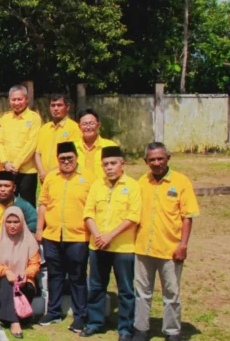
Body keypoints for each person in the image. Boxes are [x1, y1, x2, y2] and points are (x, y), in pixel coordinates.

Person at [132, 142, 199, 341]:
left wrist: (183, 245)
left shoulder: (181, 182)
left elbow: (188, 216)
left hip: (170, 249)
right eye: (152, 159)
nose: (156, 163)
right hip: (143, 248)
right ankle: (141, 329)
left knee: (171, 293)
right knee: (142, 292)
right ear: (146, 161)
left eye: (160, 158)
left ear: (168, 158)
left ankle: (172, 331)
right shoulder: (141, 182)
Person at [81, 146, 141, 340]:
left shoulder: (132, 186)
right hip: (97, 246)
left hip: (123, 247)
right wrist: (98, 235)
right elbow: (88, 213)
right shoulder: (97, 185)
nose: (109, 167)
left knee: (125, 289)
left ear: (122, 164)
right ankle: (95, 322)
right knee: (97, 286)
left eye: (113, 163)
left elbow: (133, 217)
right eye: (106, 164)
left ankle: (125, 328)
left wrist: (110, 236)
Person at [34, 142, 95, 332]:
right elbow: (43, 204)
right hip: (52, 235)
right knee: (55, 275)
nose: (66, 162)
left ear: (76, 158)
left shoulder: (88, 179)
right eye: (62, 159)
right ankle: (53, 311)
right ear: (57, 160)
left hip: (78, 236)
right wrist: (39, 229)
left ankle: (80, 316)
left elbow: (93, 209)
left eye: (70, 158)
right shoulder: (51, 177)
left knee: (77, 276)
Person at [0, 206, 41, 339]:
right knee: (7, 283)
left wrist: (25, 275)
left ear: (22, 222)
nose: (12, 226)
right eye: (8, 222)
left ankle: (6, 315)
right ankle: (15, 322)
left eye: (16, 222)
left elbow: (35, 264)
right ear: (3, 222)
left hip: (24, 282)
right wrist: (6, 271)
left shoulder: (29, 240)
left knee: (23, 286)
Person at [0, 85, 42, 207]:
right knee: (6, 203)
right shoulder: (5, 118)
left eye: (20, 99)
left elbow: (31, 144)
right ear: (9, 100)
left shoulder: (34, 118)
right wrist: (5, 163)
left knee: (27, 205)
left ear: (26, 99)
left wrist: (15, 165)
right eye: (13, 99)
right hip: (7, 168)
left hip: (27, 171)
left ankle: (29, 226)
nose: (16, 103)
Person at [0, 171, 38, 252]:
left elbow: (35, 222)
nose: (3, 189)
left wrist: (19, 233)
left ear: (14, 188)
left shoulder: (23, 205)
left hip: (17, 240)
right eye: (0, 186)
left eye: (7, 186)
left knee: (33, 238)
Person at [35, 94, 82, 183]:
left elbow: (74, 155)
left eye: (59, 105)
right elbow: (37, 153)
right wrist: (42, 172)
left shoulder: (74, 128)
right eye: (53, 105)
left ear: (67, 107)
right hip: (44, 179)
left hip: (64, 177)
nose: (55, 108)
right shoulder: (44, 128)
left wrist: (50, 174)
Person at [74, 109, 117, 179]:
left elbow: (117, 171)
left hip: (103, 188)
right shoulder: (73, 147)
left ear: (98, 125)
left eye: (91, 123)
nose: (88, 127)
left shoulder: (110, 146)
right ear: (79, 127)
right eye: (84, 124)